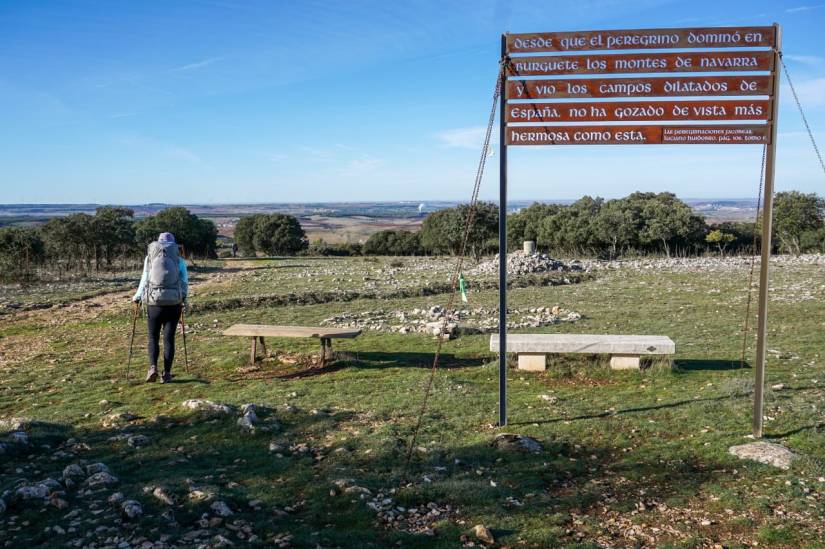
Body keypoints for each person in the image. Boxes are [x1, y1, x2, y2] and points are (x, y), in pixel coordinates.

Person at [132, 232, 189, 383]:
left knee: (153, 337)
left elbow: (144, 280)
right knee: (169, 339)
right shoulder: (179, 259)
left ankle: (152, 368)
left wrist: (137, 297)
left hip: (153, 303)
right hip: (174, 303)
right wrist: (183, 298)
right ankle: (167, 373)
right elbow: (184, 282)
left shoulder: (149, 258)